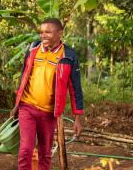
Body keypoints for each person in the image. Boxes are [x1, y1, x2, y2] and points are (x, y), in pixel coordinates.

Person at [11, 18, 84, 170]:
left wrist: (78, 118)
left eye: (48, 32)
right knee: (25, 149)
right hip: (27, 107)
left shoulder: (68, 56)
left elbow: (75, 88)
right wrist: (17, 104)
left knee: (45, 152)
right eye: (41, 32)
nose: (43, 35)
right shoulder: (33, 49)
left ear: (60, 33)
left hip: (49, 112)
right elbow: (24, 76)